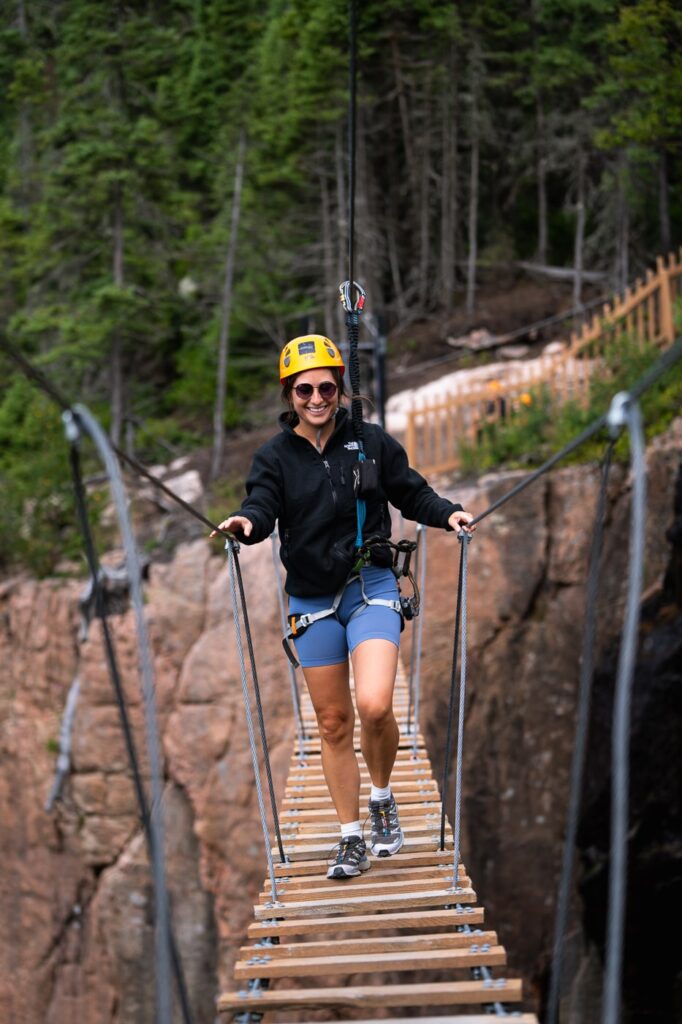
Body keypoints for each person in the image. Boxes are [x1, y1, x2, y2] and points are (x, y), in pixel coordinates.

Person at [211, 335, 474, 880]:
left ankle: (382, 796)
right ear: (289, 394)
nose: (316, 398)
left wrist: (448, 514)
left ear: (339, 389)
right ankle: (350, 836)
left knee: (375, 704)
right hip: (310, 600)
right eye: (304, 389)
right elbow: (261, 505)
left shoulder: (371, 443)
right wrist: (245, 523)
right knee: (333, 723)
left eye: (326, 387)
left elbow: (410, 492)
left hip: (370, 584)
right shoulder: (274, 457)